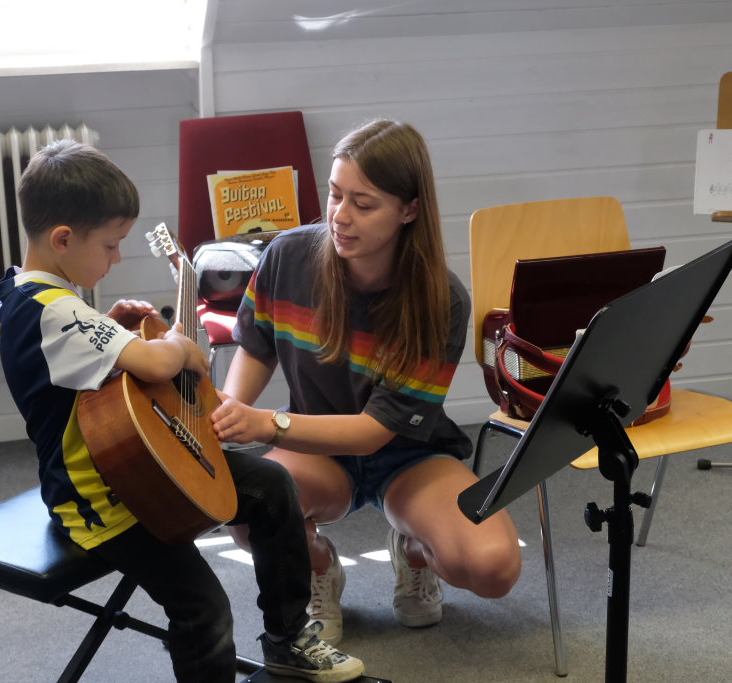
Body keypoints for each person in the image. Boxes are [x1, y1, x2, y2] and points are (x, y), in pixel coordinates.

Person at [0, 139, 364, 683]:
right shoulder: (54, 310)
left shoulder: (28, 294)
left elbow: (71, 365)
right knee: (203, 609)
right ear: (63, 239)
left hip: (127, 469)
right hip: (99, 499)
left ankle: (287, 638)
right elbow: (155, 361)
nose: (116, 258)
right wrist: (180, 346)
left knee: (272, 486)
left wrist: (109, 327)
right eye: (111, 244)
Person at [211, 119, 523, 646]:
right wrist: (225, 413)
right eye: (335, 194)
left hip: (409, 454)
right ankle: (319, 567)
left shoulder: (441, 300)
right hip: (317, 449)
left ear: (410, 210)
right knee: (247, 507)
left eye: (363, 203)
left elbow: (374, 432)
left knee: (493, 568)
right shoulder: (286, 255)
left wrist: (264, 424)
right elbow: (256, 348)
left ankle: (414, 548)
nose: (340, 216)